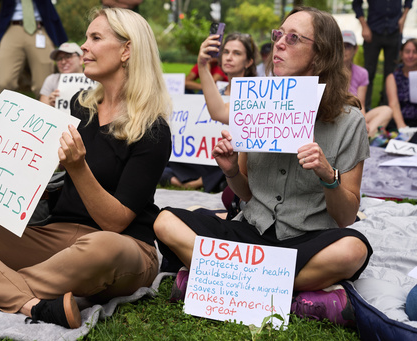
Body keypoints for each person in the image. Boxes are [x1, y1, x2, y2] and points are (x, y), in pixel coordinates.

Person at [0, 7, 171, 329]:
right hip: (56, 236)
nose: (83, 47)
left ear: (127, 50)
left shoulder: (153, 131)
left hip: (123, 246)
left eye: (95, 38)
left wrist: (78, 167)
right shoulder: (82, 104)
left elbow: (115, 222)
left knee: (102, 247)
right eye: (86, 37)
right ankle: (33, 303)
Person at [154, 7, 372, 326]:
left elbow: (347, 216)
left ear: (320, 54)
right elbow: (245, 192)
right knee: (164, 222)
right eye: (278, 34)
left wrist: (328, 177)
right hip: (251, 232)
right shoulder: (254, 103)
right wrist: (230, 170)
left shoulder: (349, 121)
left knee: (352, 250)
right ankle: (295, 294)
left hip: (306, 239)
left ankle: (215, 281)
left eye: (293, 38)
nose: (279, 44)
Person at [160, 32, 257, 194]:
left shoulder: (255, 95)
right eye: (226, 52)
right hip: (206, 154)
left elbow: (219, 113)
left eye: (237, 53)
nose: (229, 57)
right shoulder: (215, 91)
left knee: (227, 164)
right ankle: (187, 179)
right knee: (165, 157)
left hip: (229, 158)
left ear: (249, 62)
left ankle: (197, 182)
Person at [0, 0, 68, 97]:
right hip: (12, 27)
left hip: (40, 28)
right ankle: (3, 111)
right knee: (4, 82)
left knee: (43, 85)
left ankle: (44, 111)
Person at [352, 0, 413, 110]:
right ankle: (364, 109)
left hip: (394, 30)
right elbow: (356, 3)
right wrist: (364, 25)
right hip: (372, 31)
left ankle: (388, 108)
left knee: (391, 73)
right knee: (368, 72)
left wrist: (404, 16)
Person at [342, 30, 392, 138]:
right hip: (337, 116)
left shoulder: (362, 73)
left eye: (348, 46)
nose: (344, 50)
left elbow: (361, 104)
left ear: (355, 49)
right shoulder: (329, 71)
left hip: (354, 115)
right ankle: (364, 138)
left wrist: (362, 121)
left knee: (386, 111)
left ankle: (364, 137)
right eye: (340, 46)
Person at [39, 42, 83, 107]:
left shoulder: (94, 79)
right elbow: (41, 110)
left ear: (81, 59)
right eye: (59, 59)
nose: (63, 62)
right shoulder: (51, 79)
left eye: (68, 57)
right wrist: (50, 104)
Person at [386, 38, 417, 129]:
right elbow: (394, 104)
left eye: (415, 52)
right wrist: (402, 127)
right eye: (407, 52)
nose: (410, 56)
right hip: (399, 121)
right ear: (401, 54)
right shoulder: (393, 77)